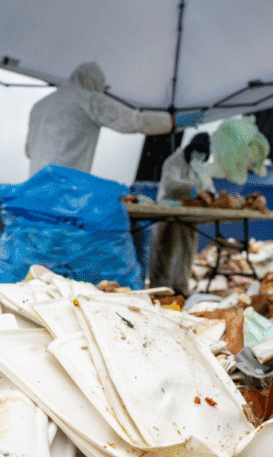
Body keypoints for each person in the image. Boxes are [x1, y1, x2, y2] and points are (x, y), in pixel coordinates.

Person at [25, 61, 204, 176]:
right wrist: (172, 122)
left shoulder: (39, 106)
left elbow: (28, 151)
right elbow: (134, 121)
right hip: (65, 189)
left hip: (34, 187)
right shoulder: (89, 99)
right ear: (94, 83)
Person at [148, 133, 215, 295]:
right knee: (165, 248)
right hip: (169, 209)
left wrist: (208, 195)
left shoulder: (201, 168)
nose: (199, 156)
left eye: (203, 154)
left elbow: (209, 188)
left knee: (187, 250)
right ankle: (160, 289)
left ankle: (180, 288)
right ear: (190, 149)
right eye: (197, 151)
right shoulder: (173, 162)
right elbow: (171, 185)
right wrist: (193, 190)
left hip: (189, 214)